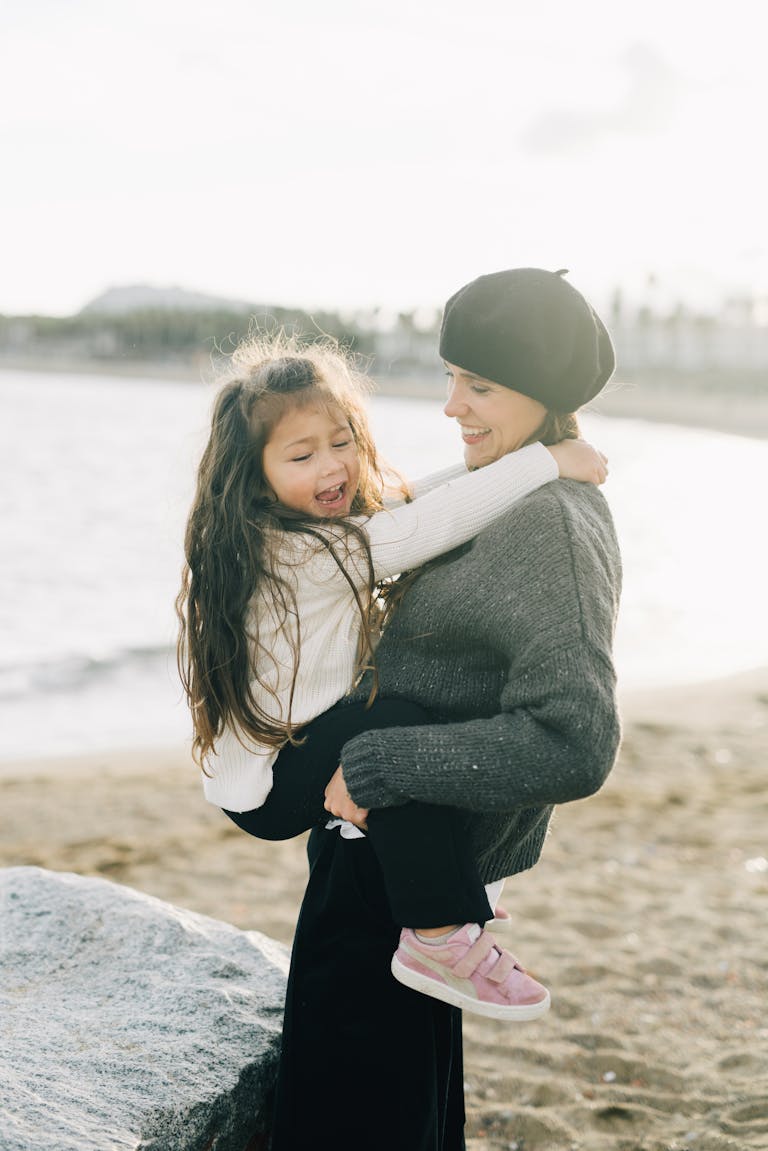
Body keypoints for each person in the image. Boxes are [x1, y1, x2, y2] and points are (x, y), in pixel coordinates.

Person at [270, 268, 623, 1151]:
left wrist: (379, 765)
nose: (453, 406)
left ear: (546, 395)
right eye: (451, 376)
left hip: (407, 882)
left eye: (482, 385)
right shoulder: (496, 491)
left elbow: (574, 740)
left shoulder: (552, 527)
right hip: (395, 867)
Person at [176, 331, 608, 1024]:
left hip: (289, 752)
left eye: (342, 441)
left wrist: (522, 469)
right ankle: (437, 931)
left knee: (395, 728)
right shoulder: (294, 551)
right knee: (397, 724)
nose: (333, 466)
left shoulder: (304, 523)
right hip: (272, 787)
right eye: (302, 454)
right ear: (254, 474)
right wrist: (547, 459)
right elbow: (414, 530)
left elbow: (405, 502)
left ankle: (449, 886)